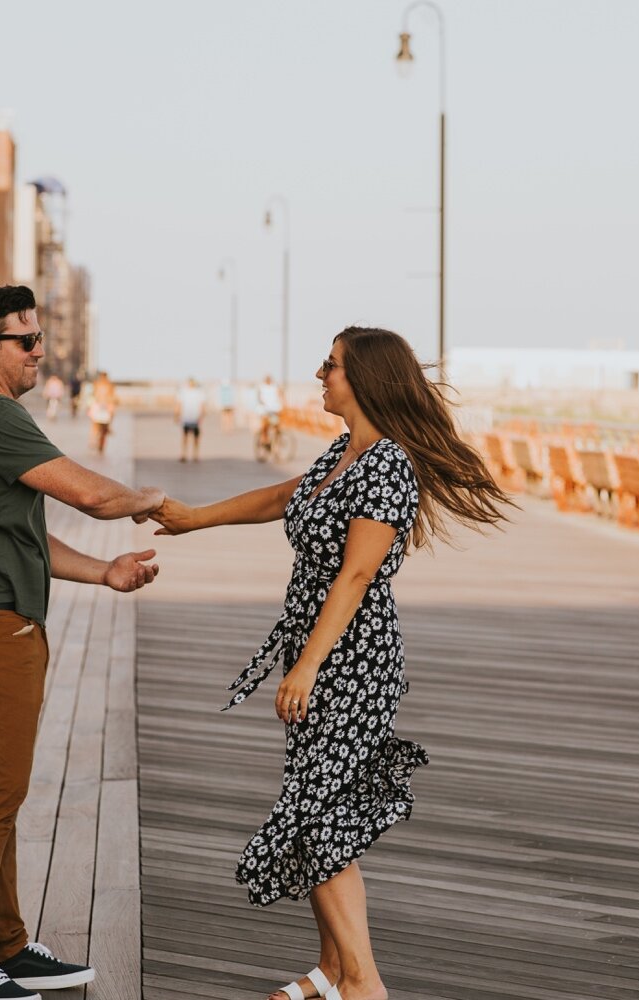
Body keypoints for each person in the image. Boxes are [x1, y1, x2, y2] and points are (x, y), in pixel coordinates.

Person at [149, 327, 514, 1000]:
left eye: (333, 365)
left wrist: (308, 665)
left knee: (317, 820)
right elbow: (284, 497)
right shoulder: (348, 452)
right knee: (322, 806)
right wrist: (195, 518)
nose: (320, 374)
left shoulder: (388, 466)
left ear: (366, 380)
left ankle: (365, 985)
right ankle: (331, 971)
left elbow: (356, 574)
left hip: (353, 663)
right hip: (321, 654)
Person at [0, 285, 165, 1000]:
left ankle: (5, 944)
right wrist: (154, 502)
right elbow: (90, 495)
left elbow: (25, 537)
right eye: (24, 340)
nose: (40, 351)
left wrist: (105, 572)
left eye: (39, 338)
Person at [176, 376, 207, 462]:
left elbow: (202, 406)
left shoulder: (197, 392)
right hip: (187, 417)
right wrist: (177, 415)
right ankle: (186, 454)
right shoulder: (185, 392)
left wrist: (202, 415)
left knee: (193, 437)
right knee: (187, 437)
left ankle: (193, 455)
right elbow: (179, 405)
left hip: (193, 417)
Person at [88, 371, 117, 455]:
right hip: (105, 405)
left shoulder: (96, 383)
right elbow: (113, 396)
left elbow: (93, 394)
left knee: (94, 424)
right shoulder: (110, 384)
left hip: (98, 405)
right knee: (110, 417)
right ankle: (109, 428)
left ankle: (93, 439)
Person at [255, 374, 284, 455]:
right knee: (265, 426)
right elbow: (259, 397)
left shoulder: (275, 387)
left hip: (274, 410)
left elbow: (280, 394)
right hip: (265, 410)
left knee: (276, 426)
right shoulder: (262, 387)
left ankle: (275, 444)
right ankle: (265, 440)